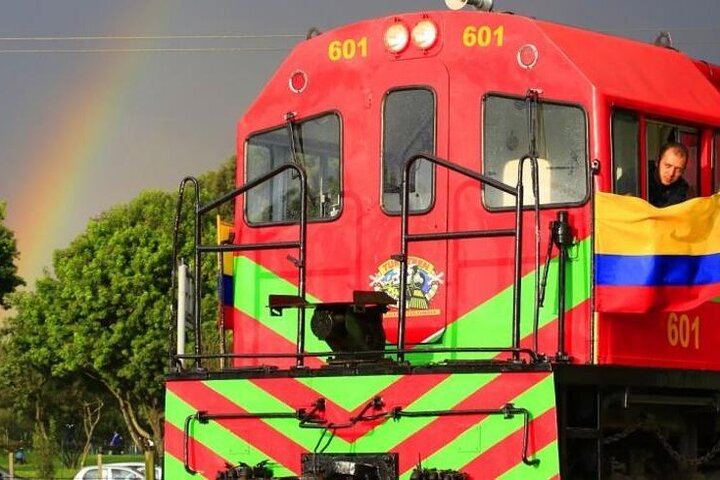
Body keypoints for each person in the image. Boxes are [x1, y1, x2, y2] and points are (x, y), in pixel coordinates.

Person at [648, 141, 689, 207]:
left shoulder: (681, 187)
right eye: (668, 166)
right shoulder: (640, 175)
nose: (671, 173)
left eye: (678, 169)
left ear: (683, 171)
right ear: (657, 162)